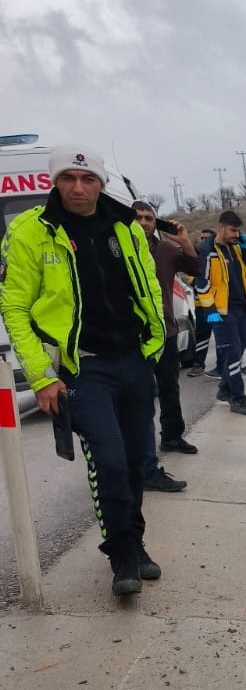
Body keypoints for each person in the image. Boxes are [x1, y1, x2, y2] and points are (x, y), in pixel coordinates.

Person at [0, 145, 166, 596]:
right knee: (109, 461)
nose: (78, 188)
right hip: (82, 369)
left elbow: (147, 282)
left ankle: (136, 542)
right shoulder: (30, 230)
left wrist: (155, 344)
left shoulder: (125, 225)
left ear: (101, 182)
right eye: (68, 179)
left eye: (87, 178)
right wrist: (41, 375)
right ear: (54, 183)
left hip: (132, 358)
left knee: (135, 463)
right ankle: (122, 556)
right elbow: (13, 306)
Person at [132, 199, 200, 491]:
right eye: (139, 218)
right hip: (134, 337)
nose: (144, 222)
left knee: (170, 386)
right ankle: (140, 457)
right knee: (141, 394)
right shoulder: (120, 249)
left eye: (149, 218)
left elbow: (196, 268)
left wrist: (183, 240)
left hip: (167, 332)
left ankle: (172, 435)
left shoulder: (167, 251)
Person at [194, 211, 246, 416]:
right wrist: (211, 311)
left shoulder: (237, 247)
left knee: (238, 351)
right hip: (223, 312)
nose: (236, 234)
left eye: (239, 230)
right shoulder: (206, 250)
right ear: (221, 227)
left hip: (243, 307)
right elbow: (201, 283)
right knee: (232, 354)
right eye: (233, 230)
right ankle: (238, 399)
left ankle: (224, 389)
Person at [186, 227, 218, 378]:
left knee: (221, 336)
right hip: (201, 305)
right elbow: (190, 277)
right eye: (201, 238)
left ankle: (222, 366)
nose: (203, 241)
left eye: (207, 238)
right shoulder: (197, 257)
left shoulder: (218, 257)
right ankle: (198, 364)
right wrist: (194, 280)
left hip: (218, 306)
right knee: (201, 335)